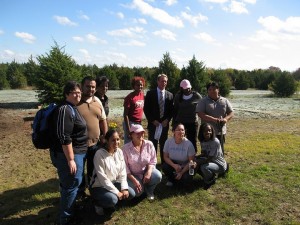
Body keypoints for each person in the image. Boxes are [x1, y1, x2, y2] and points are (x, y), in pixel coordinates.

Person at [50, 81, 88, 225]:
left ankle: (69, 210)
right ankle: (66, 218)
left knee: (70, 183)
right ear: (67, 94)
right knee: (71, 184)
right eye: (74, 92)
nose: (78, 95)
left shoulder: (72, 107)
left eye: (79, 92)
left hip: (76, 153)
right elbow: (64, 137)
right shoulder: (65, 109)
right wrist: (71, 159)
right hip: (68, 155)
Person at [89, 129, 135, 216]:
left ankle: (112, 202)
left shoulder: (119, 152)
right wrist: (117, 192)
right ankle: (96, 202)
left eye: (118, 139)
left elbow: (123, 172)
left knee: (131, 193)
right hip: (99, 186)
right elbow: (103, 178)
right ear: (106, 141)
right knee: (113, 199)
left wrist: (124, 188)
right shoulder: (99, 154)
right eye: (113, 140)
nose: (116, 142)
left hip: (113, 183)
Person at [77, 76, 108, 189]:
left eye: (93, 87)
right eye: (88, 86)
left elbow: (103, 120)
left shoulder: (97, 101)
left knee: (93, 170)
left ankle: (93, 190)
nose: (90, 89)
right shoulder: (76, 102)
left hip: (95, 145)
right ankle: (80, 193)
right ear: (82, 86)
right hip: (79, 146)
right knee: (79, 172)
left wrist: (105, 137)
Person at [122, 124, 162, 200]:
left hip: (146, 172)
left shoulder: (149, 144)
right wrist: (134, 181)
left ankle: (149, 190)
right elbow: (125, 167)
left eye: (142, 132)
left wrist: (149, 172)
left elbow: (153, 160)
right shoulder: (125, 148)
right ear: (131, 135)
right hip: (133, 175)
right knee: (137, 194)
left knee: (158, 176)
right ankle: (143, 188)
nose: (140, 135)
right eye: (137, 133)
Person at [196, 81, 234, 154]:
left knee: (220, 151)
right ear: (207, 91)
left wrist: (226, 119)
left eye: (214, 89)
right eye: (209, 89)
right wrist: (214, 120)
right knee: (207, 152)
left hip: (220, 132)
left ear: (218, 90)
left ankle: (220, 165)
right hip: (207, 132)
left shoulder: (225, 100)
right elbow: (200, 114)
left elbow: (231, 113)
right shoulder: (203, 101)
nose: (212, 91)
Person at [144, 74, 174, 164]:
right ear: (157, 81)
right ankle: (152, 163)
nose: (163, 83)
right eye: (162, 81)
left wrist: (167, 120)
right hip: (153, 124)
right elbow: (146, 109)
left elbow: (171, 111)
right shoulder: (150, 94)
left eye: (165, 81)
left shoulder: (170, 95)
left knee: (163, 144)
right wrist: (153, 120)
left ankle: (164, 164)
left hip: (164, 125)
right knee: (152, 144)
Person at [173, 79, 202, 152]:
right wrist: (174, 123)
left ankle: (193, 156)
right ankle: (180, 155)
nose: (188, 90)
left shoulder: (196, 96)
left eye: (189, 88)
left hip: (193, 122)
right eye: (186, 88)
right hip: (181, 122)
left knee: (192, 140)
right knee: (180, 139)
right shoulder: (178, 96)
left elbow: (202, 106)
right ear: (182, 89)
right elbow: (175, 110)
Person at [196, 123, 228, 188]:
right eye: (205, 131)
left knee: (203, 167)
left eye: (209, 130)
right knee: (196, 164)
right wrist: (196, 157)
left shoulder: (215, 142)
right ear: (201, 132)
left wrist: (196, 162)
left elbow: (208, 159)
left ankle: (210, 180)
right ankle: (210, 174)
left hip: (219, 164)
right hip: (211, 162)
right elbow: (204, 154)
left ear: (212, 131)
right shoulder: (203, 141)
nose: (208, 132)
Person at [123, 77, 145, 144]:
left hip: (139, 123)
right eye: (138, 85)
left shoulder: (142, 95)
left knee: (137, 142)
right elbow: (125, 115)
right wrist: (129, 129)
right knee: (129, 143)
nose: (140, 86)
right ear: (134, 86)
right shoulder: (129, 97)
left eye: (141, 85)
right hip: (130, 123)